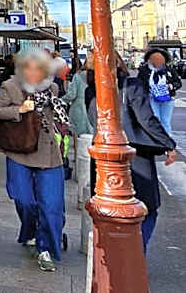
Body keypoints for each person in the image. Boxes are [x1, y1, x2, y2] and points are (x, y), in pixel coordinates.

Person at [0, 48, 69, 272]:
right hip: (20, 150)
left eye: (39, 69)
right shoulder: (10, 87)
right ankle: (31, 230)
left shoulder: (53, 88)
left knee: (51, 205)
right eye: (29, 68)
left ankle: (46, 248)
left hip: (49, 152)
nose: (34, 73)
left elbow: (59, 115)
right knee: (24, 199)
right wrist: (19, 109)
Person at [87, 70, 177, 251]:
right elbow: (146, 120)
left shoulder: (91, 88)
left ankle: (116, 255)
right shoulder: (132, 86)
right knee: (147, 208)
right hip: (135, 153)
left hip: (103, 153)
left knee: (110, 210)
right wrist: (168, 144)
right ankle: (134, 254)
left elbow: (93, 120)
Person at [140, 48, 181, 135]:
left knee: (165, 121)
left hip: (167, 98)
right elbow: (139, 83)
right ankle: (157, 142)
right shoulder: (144, 70)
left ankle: (167, 143)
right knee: (156, 120)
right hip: (152, 98)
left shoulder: (169, 70)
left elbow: (178, 82)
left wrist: (171, 86)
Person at [64, 55, 94, 136]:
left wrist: (61, 101)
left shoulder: (78, 76)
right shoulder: (99, 77)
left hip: (78, 109)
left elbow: (71, 95)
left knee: (78, 138)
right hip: (93, 109)